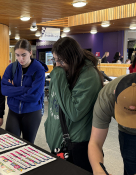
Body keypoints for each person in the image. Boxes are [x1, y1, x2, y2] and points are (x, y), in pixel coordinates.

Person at [44, 37, 103, 172]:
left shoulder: (89, 76)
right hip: (59, 143)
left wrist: (58, 76)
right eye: (55, 60)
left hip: (75, 146)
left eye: (61, 61)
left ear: (73, 58)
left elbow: (74, 113)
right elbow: (54, 104)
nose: (57, 65)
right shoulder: (64, 71)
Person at [88, 72, 136, 175]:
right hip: (129, 134)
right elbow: (95, 142)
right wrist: (98, 170)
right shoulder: (106, 97)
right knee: (133, 167)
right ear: (115, 94)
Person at [1, 39, 48, 143]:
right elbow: (4, 90)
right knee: (11, 143)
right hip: (13, 111)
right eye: (17, 55)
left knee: (28, 144)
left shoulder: (38, 70)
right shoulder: (11, 68)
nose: (20, 58)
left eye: (24, 55)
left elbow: (34, 97)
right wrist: (25, 89)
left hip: (32, 112)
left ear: (30, 53)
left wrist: (13, 92)